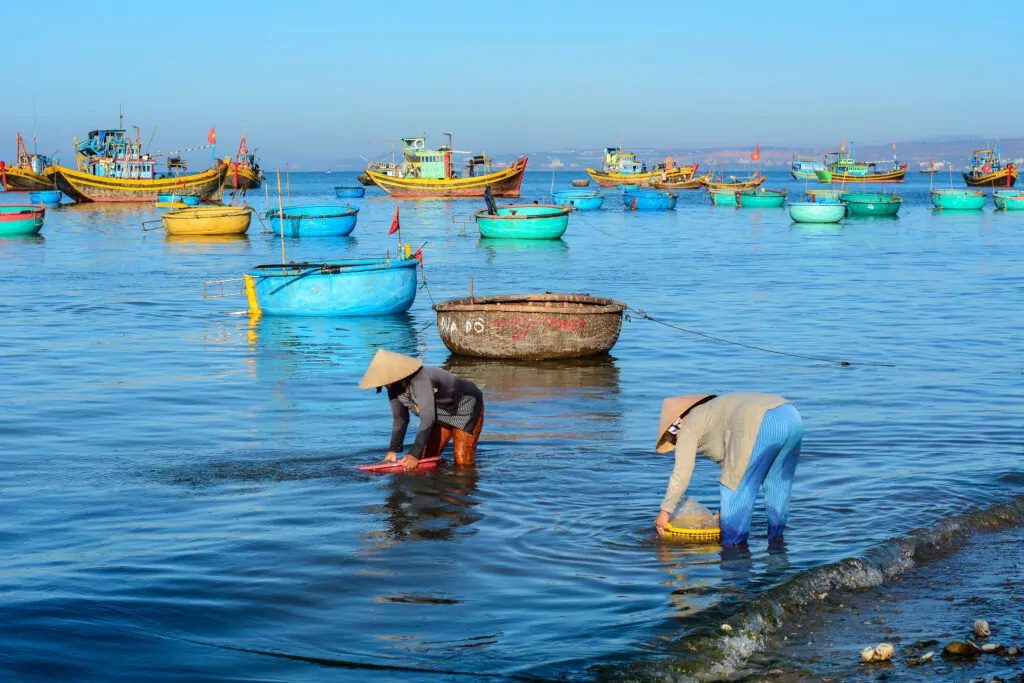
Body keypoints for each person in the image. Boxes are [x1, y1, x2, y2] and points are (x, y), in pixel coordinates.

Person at [653, 393, 802, 546]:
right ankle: (778, 557)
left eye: (672, 438)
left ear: (675, 424)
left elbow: (682, 473)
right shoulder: (714, 411)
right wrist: (722, 511)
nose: (674, 441)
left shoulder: (688, 424)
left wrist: (665, 512)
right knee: (777, 487)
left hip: (760, 422)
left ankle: (735, 561)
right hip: (791, 415)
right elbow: (734, 463)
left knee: (735, 496)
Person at [359, 350, 485, 469]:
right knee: (427, 458)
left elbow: (427, 419)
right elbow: (400, 419)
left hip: (465, 408)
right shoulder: (392, 387)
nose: (385, 385)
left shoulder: (420, 380)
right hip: (440, 413)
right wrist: (393, 451)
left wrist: (414, 454)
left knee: (462, 463)